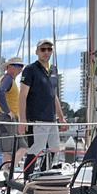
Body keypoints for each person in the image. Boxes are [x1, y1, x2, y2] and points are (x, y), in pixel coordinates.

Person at [18, 38, 67, 180]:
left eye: (49, 49)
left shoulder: (53, 70)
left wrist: (62, 118)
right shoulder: (30, 70)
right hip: (36, 118)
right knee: (35, 149)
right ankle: (27, 180)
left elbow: (54, 96)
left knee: (54, 148)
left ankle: (44, 176)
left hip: (51, 119)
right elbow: (22, 95)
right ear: (37, 52)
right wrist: (23, 120)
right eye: (43, 49)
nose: (46, 52)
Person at [0, 57, 25, 176]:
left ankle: (8, 171)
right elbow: (0, 92)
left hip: (6, 118)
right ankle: (7, 172)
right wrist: (8, 111)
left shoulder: (9, 80)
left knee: (20, 147)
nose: (20, 68)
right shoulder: (8, 79)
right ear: (9, 67)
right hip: (5, 118)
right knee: (10, 149)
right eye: (17, 65)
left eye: (21, 66)